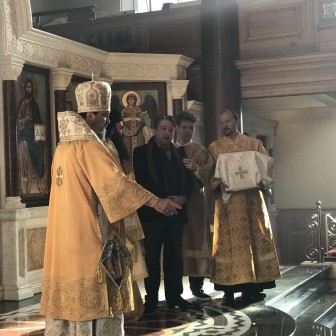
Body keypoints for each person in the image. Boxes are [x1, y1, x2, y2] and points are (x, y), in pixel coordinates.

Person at [40, 80, 181, 336]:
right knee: (99, 292)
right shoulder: (90, 146)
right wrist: (156, 202)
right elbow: (116, 183)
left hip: (65, 237)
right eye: (104, 115)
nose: (108, 120)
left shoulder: (63, 147)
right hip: (91, 234)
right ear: (90, 115)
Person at [208, 109, 281, 305]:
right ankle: (228, 289)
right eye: (221, 122)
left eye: (228, 121)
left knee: (255, 241)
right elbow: (210, 176)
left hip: (252, 205)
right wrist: (218, 183)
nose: (225, 125)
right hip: (227, 206)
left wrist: (262, 181)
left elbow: (266, 170)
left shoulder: (254, 144)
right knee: (227, 245)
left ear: (236, 121)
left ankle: (253, 288)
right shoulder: (214, 148)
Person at [133, 115, 195, 314]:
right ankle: (151, 298)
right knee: (152, 258)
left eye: (170, 130)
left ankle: (174, 296)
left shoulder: (180, 152)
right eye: (163, 129)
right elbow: (141, 182)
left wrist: (183, 197)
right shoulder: (141, 153)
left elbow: (189, 180)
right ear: (155, 131)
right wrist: (160, 201)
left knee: (174, 257)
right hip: (153, 214)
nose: (167, 133)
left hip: (175, 213)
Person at [174, 111, 213, 303]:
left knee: (197, 241)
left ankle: (197, 287)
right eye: (184, 127)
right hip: (175, 204)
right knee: (177, 245)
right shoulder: (170, 149)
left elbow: (210, 177)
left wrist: (196, 168)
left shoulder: (201, 151)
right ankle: (176, 291)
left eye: (191, 128)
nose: (187, 131)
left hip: (196, 204)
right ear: (177, 128)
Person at [17, 77, 46, 195]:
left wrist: (42, 130)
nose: (29, 89)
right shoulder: (22, 103)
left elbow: (38, 121)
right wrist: (25, 119)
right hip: (25, 133)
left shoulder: (34, 104)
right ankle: (27, 178)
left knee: (40, 146)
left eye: (30, 87)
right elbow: (18, 123)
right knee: (24, 145)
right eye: (27, 87)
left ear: (32, 89)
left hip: (34, 133)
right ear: (24, 89)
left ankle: (39, 179)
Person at [121, 91, 152, 177]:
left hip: (138, 135)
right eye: (129, 99)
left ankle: (139, 173)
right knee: (127, 153)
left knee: (138, 152)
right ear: (127, 101)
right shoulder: (123, 111)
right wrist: (125, 131)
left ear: (135, 100)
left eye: (133, 99)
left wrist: (146, 121)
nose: (131, 101)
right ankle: (128, 174)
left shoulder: (139, 110)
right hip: (126, 135)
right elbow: (121, 123)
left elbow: (144, 122)